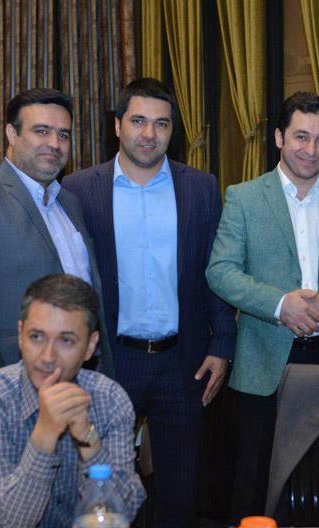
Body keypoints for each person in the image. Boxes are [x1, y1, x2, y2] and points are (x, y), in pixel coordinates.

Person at [63, 77, 236, 527]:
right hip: (110, 360)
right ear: (117, 125)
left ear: (171, 130)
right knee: (105, 486)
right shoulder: (79, 189)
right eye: (138, 121)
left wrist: (222, 345)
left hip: (184, 361)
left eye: (161, 124)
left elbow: (214, 270)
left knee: (181, 492)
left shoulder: (200, 188)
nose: (149, 133)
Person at [206, 91, 319, 518]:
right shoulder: (244, 198)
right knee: (255, 486)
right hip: (263, 365)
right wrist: (280, 304)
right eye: (301, 136)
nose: (311, 149)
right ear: (279, 137)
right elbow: (221, 270)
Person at [0, 88, 112, 394]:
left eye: (63, 134)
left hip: (80, 383)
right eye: (41, 131)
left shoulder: (70, 203)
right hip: (10, 386)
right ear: (12, 134)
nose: (54, 143)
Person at [0, 274, 146, 527]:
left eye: (66, 340)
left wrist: (87, 436)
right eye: (36, 337)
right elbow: (8, 523)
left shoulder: (109, 398)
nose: (47, 356)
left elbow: (125, 513)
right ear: (20, 335)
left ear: (90, 346)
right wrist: (45, 434)